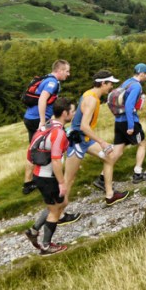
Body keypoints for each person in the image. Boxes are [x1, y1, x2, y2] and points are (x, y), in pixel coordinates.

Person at [23, 96, 76, 255]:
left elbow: (30, 152)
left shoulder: (46, 125)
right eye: (72, 111)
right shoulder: (58, 133)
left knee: (60, 203)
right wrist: (62, 183)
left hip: (39, 175)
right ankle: (46, 246)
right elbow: (56, 160)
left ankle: (33, 231)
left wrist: (28, 179)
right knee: (55, 211)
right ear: (65, 113)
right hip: (48, 178)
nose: (74, 113)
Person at [63, 70, 120, 204]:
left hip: (85, 140)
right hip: (77, 141)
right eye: (110, 83)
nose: (111, 86)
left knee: (110, 157)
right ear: (103, 83)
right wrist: (102, 142)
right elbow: (84, 126)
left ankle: (110, 195)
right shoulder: (91, 99)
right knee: (69, 179)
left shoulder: (91, 94)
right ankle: (57, 213)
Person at [100, 63, 146, 205]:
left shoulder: (127, 82)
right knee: (142, 143)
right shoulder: (137, 86)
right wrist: (131, 126)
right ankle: (138, 173)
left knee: (117, 151)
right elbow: (129, 106)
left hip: (119, 122)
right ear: (142, 73)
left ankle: (102, 177)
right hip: (129, 122)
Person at [22, 59, 70, 195]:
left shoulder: (46, 78)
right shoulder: (52, 82)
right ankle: (52, 177)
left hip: (30, 118)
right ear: (59, 70)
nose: (68, 74)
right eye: (67, 71)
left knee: (33, 149)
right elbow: (42, 99)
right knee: (53, 146)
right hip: (37, 120)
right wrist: (43, 121)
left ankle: (28, 183)